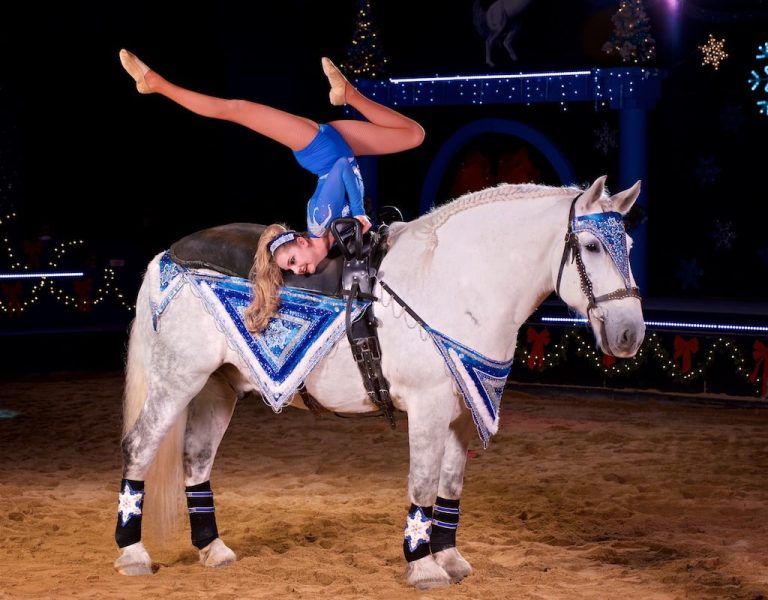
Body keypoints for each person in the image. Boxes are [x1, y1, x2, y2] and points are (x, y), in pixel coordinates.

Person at [119, 49, 425, 332]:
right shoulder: (330, 238)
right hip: (337, 145)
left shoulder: (320, 220)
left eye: (292, 261)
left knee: (235, 109)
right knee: (414, 135)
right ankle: (349, 94)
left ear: (302, 241)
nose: (301, 270)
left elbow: (343, 167)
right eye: (294, 269)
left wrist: (358, 211)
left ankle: (155, 83)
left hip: (316, 145)